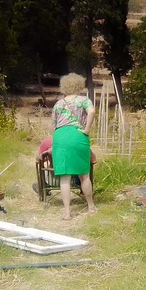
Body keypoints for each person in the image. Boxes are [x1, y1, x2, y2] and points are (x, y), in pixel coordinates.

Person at [51, 73, 96, 220]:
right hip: (77, 136)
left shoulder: (58, 104)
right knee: (84, 175)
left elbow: (54, 125)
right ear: (79, 85)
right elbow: (92, 111)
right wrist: (87, 129)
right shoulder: (84, 100)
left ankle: (67, 212)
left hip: (60, 137)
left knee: (65, 177)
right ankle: (91, 206)